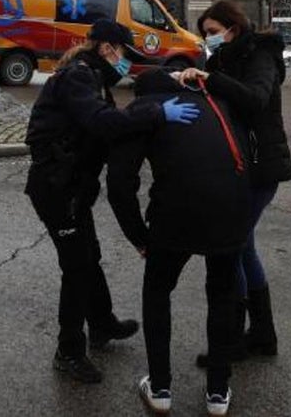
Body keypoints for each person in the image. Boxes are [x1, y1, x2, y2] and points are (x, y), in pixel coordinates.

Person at [25, 18, 199, 384]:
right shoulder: (78, 77)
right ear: (107, 49)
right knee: (77, 267)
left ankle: (101, 324)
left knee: (89, 256)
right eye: (123, 53)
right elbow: (101, 123)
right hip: (57, 190)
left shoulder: (91, 76)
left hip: (72, 187)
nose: (125, 62)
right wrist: (155, 113)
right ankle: (69, 351)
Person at [108, 68, 253, 416]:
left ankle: (160, 389)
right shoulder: (211, 102)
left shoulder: (144, 111)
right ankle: (218, 392)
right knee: (222, 294)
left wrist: (139, 237)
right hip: (232, 212)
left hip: (175, 215)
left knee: (157, 292)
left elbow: (119, 183)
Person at [176, 0, 291, 366]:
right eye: (205, 34)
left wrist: (213, 79)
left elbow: (255, 100)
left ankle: (231, 341)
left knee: (233, 247)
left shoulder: (261, 56)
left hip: (261, 166)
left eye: (213, 32)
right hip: (236, 164)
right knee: (244, 248)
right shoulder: (220, 58)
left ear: (233, 27)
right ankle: (261, 335)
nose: (208, 40)